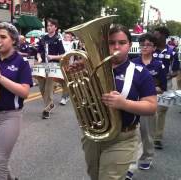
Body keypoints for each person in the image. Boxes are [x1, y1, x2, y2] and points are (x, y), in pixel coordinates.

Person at [73, 24, 157, 180]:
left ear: (130, 45)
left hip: (122, 138)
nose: (116, 47)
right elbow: (82, 100)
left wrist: (123, 103)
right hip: (93, 136)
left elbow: (151, 107)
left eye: (122, 42)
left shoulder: (140, 73)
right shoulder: (91, 68)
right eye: (111, 43)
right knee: (95, 176)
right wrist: (77, 75)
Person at [0, 22, 32, 180]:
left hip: (11, 115)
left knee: (0, 162)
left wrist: (0, 78)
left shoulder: (21, 63)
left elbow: (25, 92)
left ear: (13, 40)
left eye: (3, 37)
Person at [129, 33, 167, 174]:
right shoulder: (132, 62)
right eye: (142, 44)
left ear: (154, 47)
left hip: (148, 104)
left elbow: (162, 87)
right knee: (133, 134)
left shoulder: (158, 65)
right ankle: (130, 165)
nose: (144, 47)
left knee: (147, 134)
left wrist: (146, 89)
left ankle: (147, 158)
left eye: (148, 45)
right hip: (133, 103)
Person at [152, 26, 180, 149]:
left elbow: (176, 71)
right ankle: (147, 133)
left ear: (163, 35)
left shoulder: (172, 52)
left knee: (161, 111)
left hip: (165, 86)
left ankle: (157, 138)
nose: (154, 37)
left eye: (156, 34)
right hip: (149, 84)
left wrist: (165, 77)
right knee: (148, 110)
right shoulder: (151, 50)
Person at [36, 18, 65, 119]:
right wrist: (39, 58)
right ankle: (50, 104)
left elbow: (62, 55)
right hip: (42, 64)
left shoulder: (58, 39)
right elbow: (39, 51)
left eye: (51, 25)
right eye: (48, 25)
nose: (48, 27)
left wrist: (53, 57)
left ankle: (47, 109)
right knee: (41, 87)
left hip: (53, 65)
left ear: (55, 28)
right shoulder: (43, 38)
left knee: (48, 88)